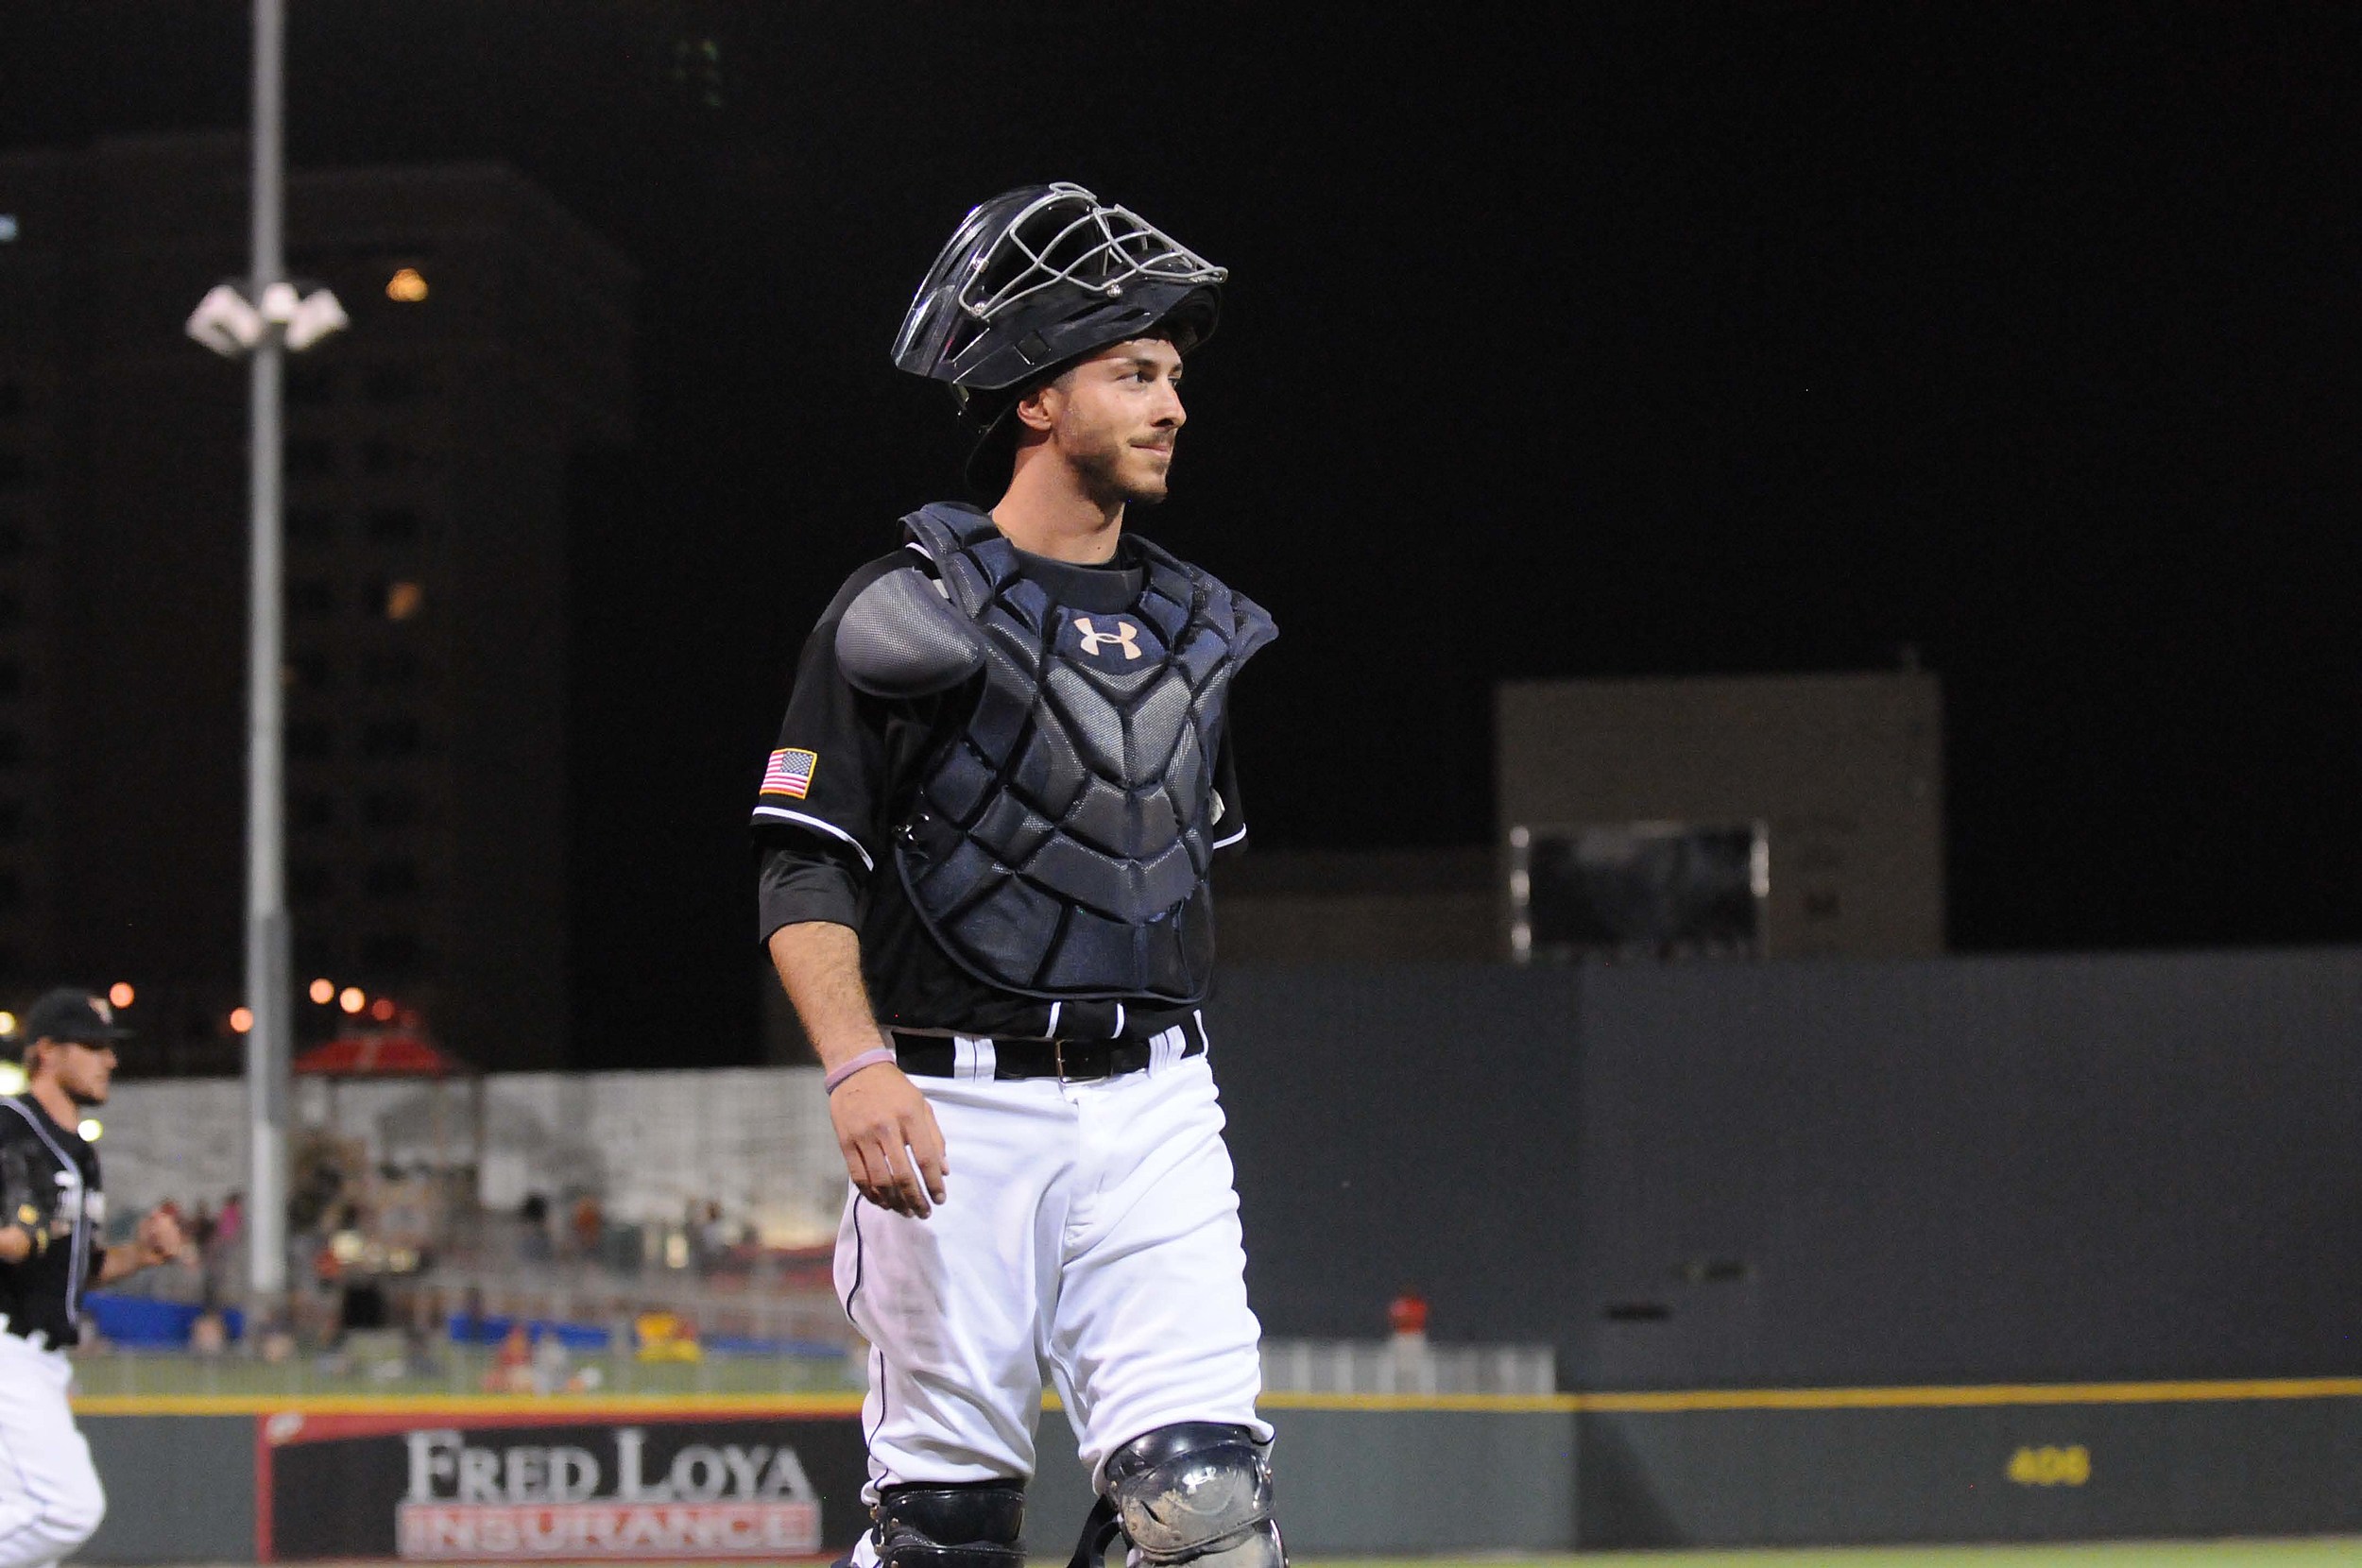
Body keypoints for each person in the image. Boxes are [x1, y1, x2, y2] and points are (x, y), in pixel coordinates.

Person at [756, 183, 1282, 1568]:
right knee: (946, 1532)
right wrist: (856, 1068)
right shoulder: (901, 610)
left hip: (1158, 1099)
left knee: (1206, 1513)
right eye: (1132, 373)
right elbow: (802, 868)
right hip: (952, 1115)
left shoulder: (1192, 632)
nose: (1171, 403)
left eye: (1173, 374)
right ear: (1038, 401)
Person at [0, 988, 185, 1568]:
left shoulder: (79, 1154)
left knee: (27, 1533)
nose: (111, 1060)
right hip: (6, 1349)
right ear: (47, 1052)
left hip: (43, 1359)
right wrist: (15, 1236)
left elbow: (76, 1268)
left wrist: (141, 1255)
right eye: (95, 1046)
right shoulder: (9, 1126)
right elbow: (14, 1241)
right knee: (67, 1510)